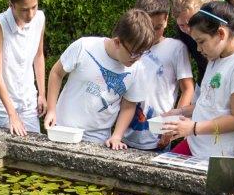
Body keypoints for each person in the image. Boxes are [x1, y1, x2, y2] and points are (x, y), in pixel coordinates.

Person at [158, 0, 234, 158]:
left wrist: (194, 128)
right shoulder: (215, 57)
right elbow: (209, 104)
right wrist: (179, 112)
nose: (198, 49)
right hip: (196, 146)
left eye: (201, 41)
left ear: (221, 33)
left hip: (219, 157)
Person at [43, 9, 157, 146]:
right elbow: (56, 73)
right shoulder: (84, 46)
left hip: (98, 139)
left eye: (142, 53)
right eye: (133, 53)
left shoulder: (137, 68)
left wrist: (117, 136)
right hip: (64, 129)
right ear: (117, 42)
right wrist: (51, 110)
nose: (137, 59)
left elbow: (129, 105)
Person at [108, 0, 194, 151]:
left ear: (167, 19)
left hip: (158, 137)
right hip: (126, 136)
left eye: (158, 27)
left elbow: (188, 88)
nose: (153, 33)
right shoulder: (129, 48)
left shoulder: (176, 48)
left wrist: (173, 123)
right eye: (149, 27)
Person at [0, 0, 47, 136]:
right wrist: (12, 114)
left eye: (34, 7)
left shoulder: (40, 18)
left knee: (35, 151)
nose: (30, 15)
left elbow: (39, 56)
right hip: (4, 105)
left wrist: (42, 94)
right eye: (24, 9)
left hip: (29, 100)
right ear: (11, 5)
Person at [172, 0, 234, 80]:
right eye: (182, 25)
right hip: (207, 80)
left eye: (192, 22)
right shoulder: (182, 31)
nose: (189, 30)